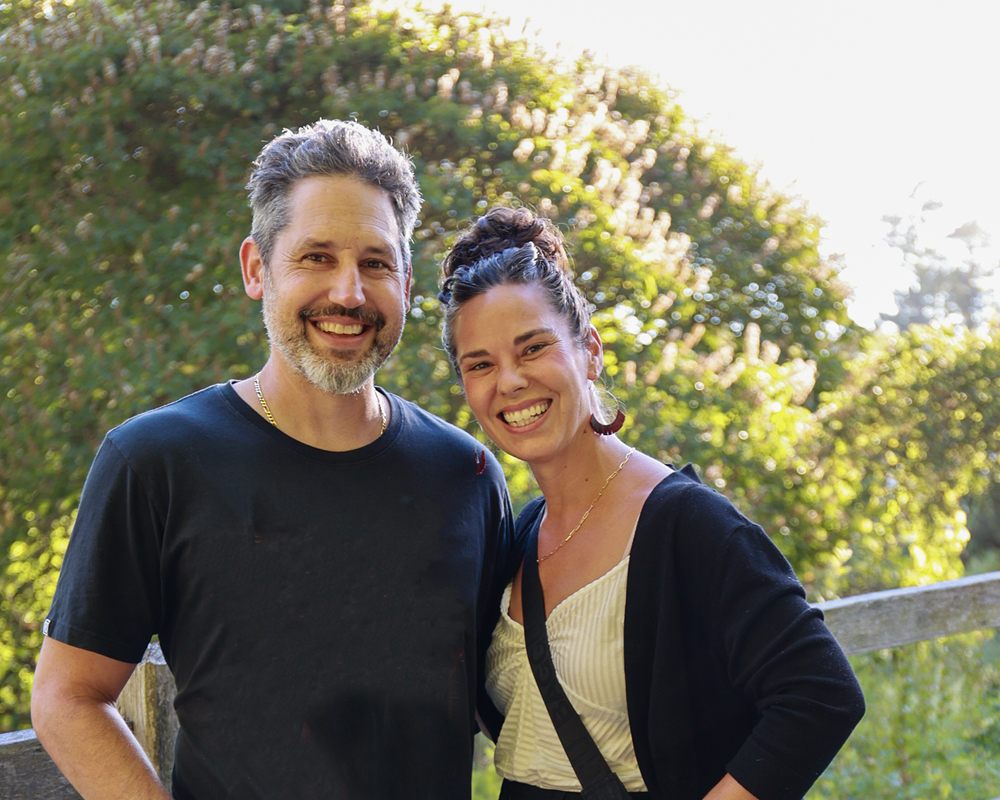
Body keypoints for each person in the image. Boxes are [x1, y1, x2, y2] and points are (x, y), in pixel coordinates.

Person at [30, 120, 520, 800]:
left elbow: (512, 696)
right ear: (257, 269)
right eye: (316, 257)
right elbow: (68, 696)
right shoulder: (156, 462)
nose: (349, 293)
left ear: (406, 283)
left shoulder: (465, 474)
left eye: (375, 263)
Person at [437, 207, 865, 800]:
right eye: (480, 364)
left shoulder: (686, 525)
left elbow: (821, 692)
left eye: (533, 348)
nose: (508, 381)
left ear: (589, 351)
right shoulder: (517, 533)